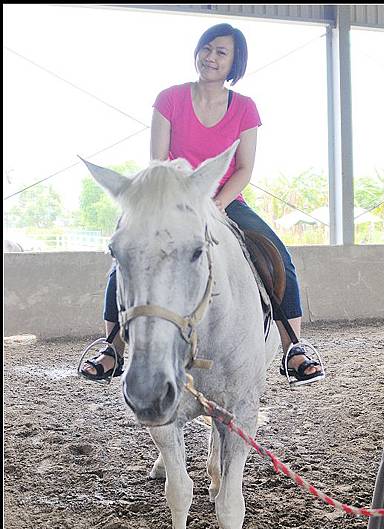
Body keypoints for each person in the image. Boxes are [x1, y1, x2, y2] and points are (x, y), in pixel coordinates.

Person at [81, 22, 325, 386]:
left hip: (225, 199)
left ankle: (294, 345)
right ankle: (113, 345)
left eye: (221, 52)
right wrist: (180, 201)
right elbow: (158, 162)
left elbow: (244, 168)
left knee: (278, 255)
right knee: (128, 253)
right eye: (206, 48)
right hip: (175, 201)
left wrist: (218, 204)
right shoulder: (170, 99)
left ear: (234, 62)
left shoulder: (245, 108)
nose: (210, 57)